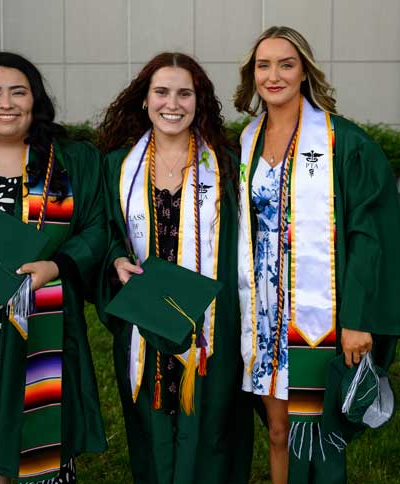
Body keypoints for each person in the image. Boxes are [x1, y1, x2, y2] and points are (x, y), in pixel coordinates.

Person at [234, 26, 400, 484]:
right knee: (277, 430)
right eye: (263, 66)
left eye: (286, 64)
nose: (274, 75)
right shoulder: (246, 142)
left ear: (304, 71)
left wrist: (358, 317)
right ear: (252, 75)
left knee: (319, 437)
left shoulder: (341, 142)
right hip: (263, 312)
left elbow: (368, 234)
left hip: (318, 317)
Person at [0, 51, 107, 483]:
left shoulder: (68, 162)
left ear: (35, 100)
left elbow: (97, 227)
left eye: (18, 91)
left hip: (37, 329)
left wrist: (58, 265)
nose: (5, 103)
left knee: (41, 456)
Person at [96, 52, 253, 484]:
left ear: (199, 102)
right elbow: (103, 231)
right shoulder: (117, 168)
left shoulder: (225, 165)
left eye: (185, 93)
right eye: (161, 92)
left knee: (212, 424)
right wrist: (115, 259)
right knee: (150, 424)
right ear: (144, 100)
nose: (173, 103)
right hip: (143, 319)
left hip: (211, 326)